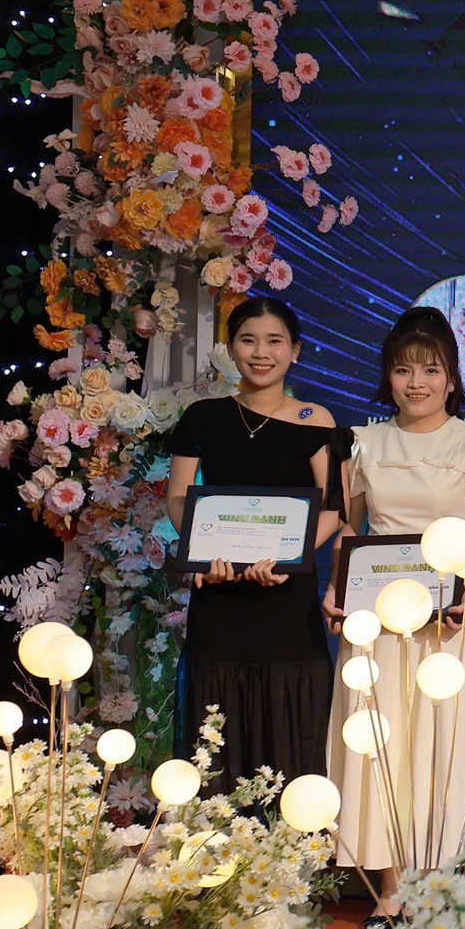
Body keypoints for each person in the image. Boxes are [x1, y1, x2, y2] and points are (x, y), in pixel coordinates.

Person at [324, 307, 465, 906]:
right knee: (384, 742)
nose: (417, 383)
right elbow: (350, 532)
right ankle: (390, 889)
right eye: (403, 370)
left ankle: (440, 885)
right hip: (377, 620)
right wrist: (336, 589)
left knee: (444, 742)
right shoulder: (363, 443)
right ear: (388, 376)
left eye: (431, 370)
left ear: (452, 378)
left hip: (449, 622)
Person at [165, 296, 343, 785]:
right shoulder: (202, 417)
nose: (261, 352)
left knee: (292, 731)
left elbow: (333, 509)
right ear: (230, 348)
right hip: (219, 598)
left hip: (288, 603)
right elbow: (178, 498)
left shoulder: (317, 420)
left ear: (295, 351)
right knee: (215, 730)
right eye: (248, 340)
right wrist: (201, 551)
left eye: (274, 341)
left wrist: (289, 558)